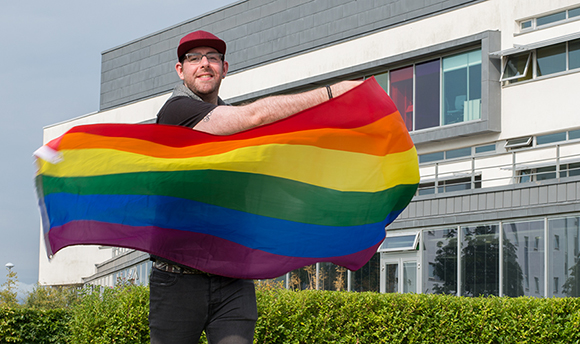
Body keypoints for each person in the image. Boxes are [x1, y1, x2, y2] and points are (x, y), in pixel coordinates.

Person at [150, 30, 361, 344]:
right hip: (179, 281)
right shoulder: (176, 112)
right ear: (180, 70)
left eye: (213, 58)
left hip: (232, 280)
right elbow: (256, 115)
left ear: (225, 67)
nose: (204, 64)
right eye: (194, 58)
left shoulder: (234, 121)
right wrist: (333, 92)